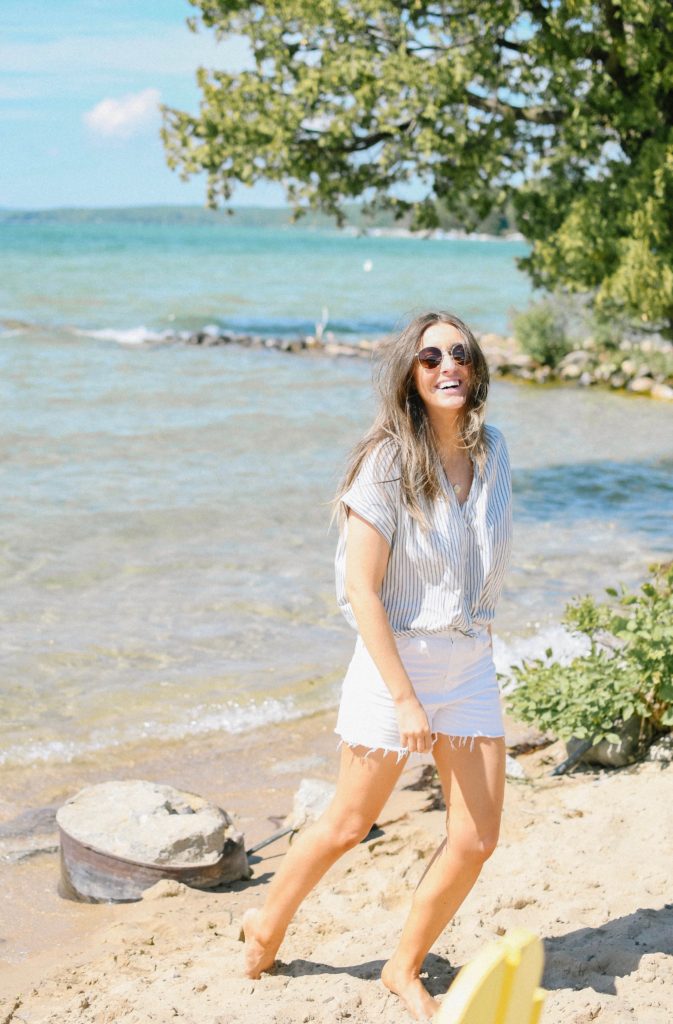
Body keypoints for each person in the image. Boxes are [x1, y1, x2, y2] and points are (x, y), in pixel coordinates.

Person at [243, 310, 513, 1021]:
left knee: (477, 838)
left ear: (476, 368)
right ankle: (266, 921)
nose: (447, 364)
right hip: (396, 664)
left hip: (469, 658)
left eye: (459, 352)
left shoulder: (495, 454)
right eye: (430, 357)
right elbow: (361, 590)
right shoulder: (387, 462)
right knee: (346, 823)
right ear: (411, 375)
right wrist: (405, 699)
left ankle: (403, 965)